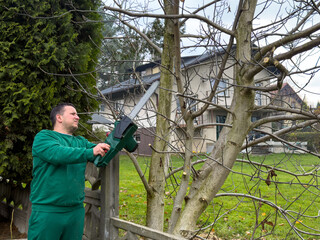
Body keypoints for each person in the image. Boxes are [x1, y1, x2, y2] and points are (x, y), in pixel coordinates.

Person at [28, 103, 110, 240]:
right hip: (47, 211)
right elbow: (58, 154)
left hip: (75, 211)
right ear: (59, 117)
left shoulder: (80, 142)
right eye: (73, 114)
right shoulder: (44, 137)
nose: (77, 117)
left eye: (77, 114)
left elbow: (102, 150)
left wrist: (117, 138)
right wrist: (90, 152)